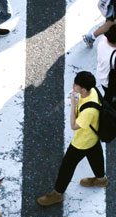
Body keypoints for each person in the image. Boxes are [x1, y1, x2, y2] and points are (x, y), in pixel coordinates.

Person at [37, 71, 107, 205]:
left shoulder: (88, 111)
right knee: (95, 156)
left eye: (76, 85)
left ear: (84, 89)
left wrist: (73, 105)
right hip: (93, 136)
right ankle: (101, 180)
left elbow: (74, 126)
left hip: (82, 141)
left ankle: (58, 193)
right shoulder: (93, 91)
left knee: (67, 166)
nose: (74, 86)